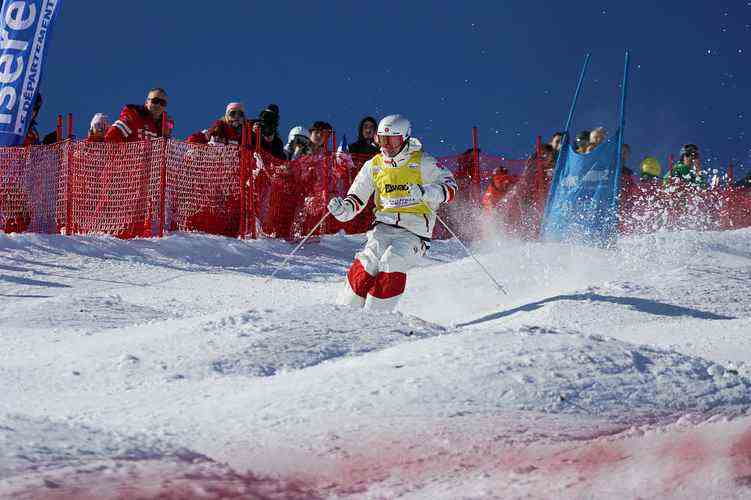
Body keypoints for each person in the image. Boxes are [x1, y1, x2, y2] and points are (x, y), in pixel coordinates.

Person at [327, 114, 457, 311]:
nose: (387, 147)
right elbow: (356, 199)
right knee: (368, 262)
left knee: (392, 260)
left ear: (405, 139)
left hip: (414, 232)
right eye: (383, 140)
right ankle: (345, 311)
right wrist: (341, 210)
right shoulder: (374, 165)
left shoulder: (422, 162)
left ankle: (376, 316)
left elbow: (450, 186)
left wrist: (426, 192)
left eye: (393, 141)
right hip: (383, 228)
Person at [105, 88, 173, 142]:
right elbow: (112, 134)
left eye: (162, 103)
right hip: (129, 157)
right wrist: (123, 156)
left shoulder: (164, 126)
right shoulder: (135, 115)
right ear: (146, 102)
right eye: (155, 101)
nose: (158, 105)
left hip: (151, 159)